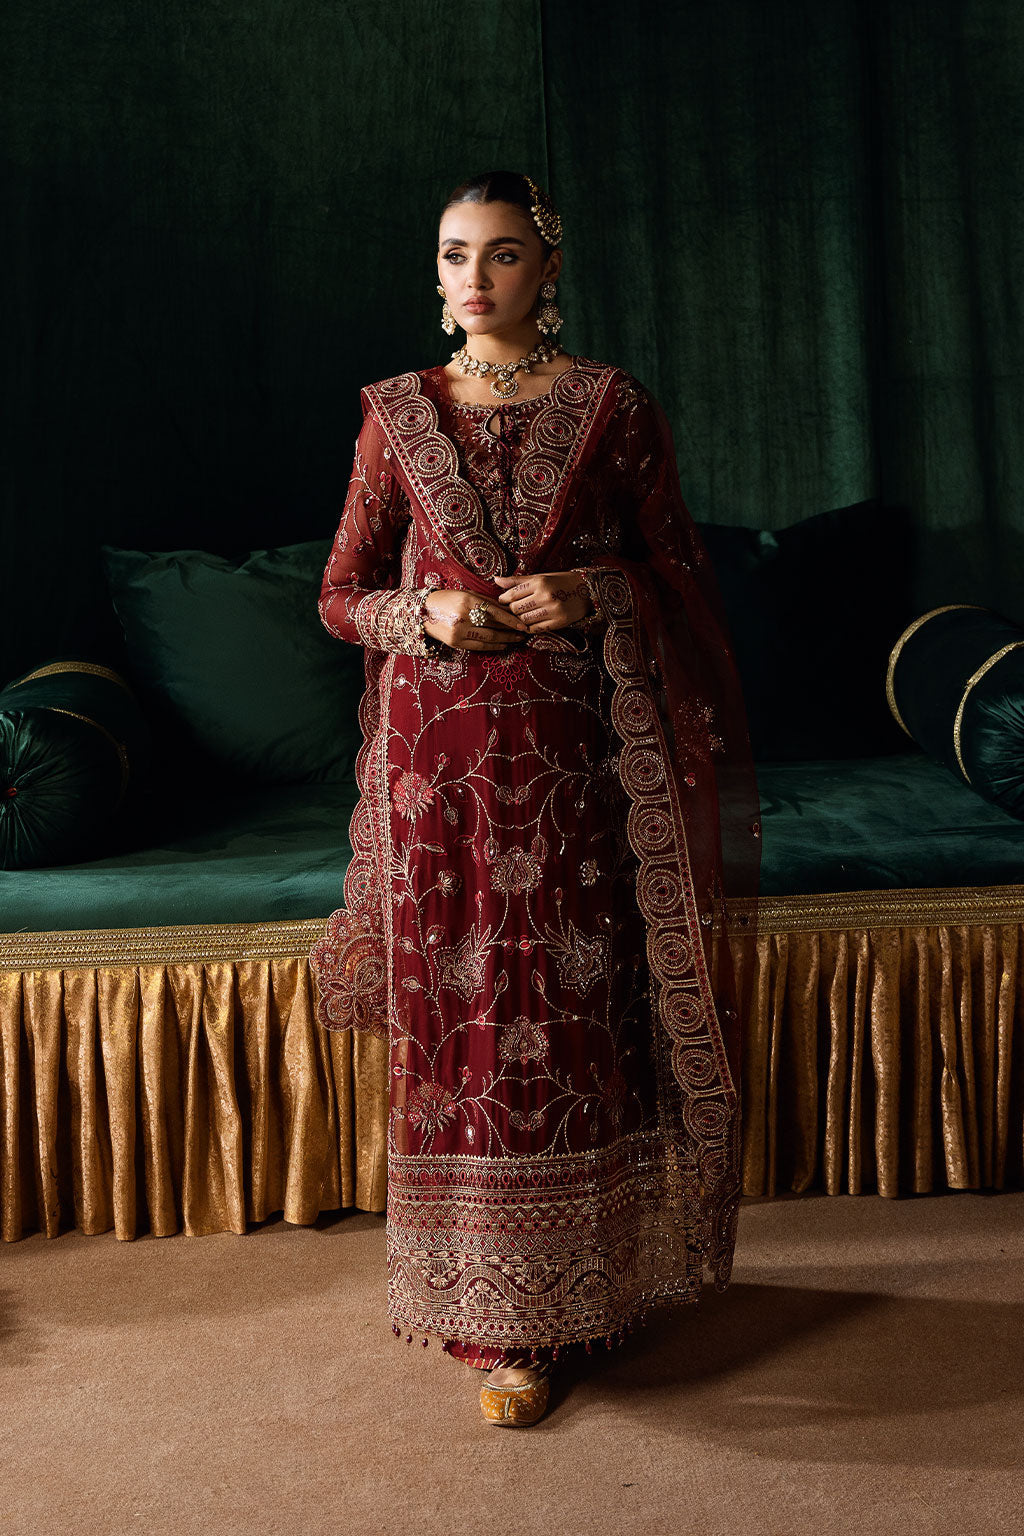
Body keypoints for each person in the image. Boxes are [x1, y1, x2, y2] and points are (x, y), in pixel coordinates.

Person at [311, 170, 760, 1427]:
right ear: (435, 269)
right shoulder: (395, 414)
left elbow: (679, 573)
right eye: (456, 253)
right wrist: (426, 613)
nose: (476, 276)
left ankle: (581, 1289)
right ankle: (494, 1319)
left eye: (503, 253)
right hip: (438, 779)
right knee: (463, 1018)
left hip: (577, 770)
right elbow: (340, 595)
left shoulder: (613, 406)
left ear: (547, 270)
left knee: (565, 1007)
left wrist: (596, 591)